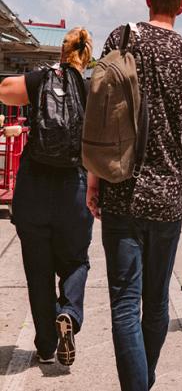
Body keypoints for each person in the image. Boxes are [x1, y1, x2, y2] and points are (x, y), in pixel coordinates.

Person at [86, 0, 182, 391]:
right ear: (181, 6)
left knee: (125, 305)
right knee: (156, 304)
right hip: (166, 200)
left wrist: (93, 179)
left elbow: (102, 116)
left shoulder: (120, 40)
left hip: (121, 189)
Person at [0, 27, 93, 366]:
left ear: (61, 53)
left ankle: (45, 345)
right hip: (74, 188)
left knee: (38, 272)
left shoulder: (43, 79)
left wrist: (38, 80)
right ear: (86, 56)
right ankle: (68, 311)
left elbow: (5, 91)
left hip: (34, 189)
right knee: (76, 261)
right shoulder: (88, 87)